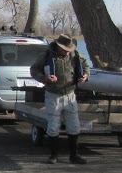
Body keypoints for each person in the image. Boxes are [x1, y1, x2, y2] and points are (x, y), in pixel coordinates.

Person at [32, 34, 90, 164]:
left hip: (70, 94)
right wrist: (45, 79)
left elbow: (85, 65)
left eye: (70, 49)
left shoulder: (75, 55)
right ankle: (53, 155)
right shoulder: (47, 55)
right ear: (59, 47)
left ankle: (74, 155)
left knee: (74, 126)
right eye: (66, 49)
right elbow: (34, 70)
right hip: (53, 95)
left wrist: (85, 75)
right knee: (53, 126)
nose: (68, 51)